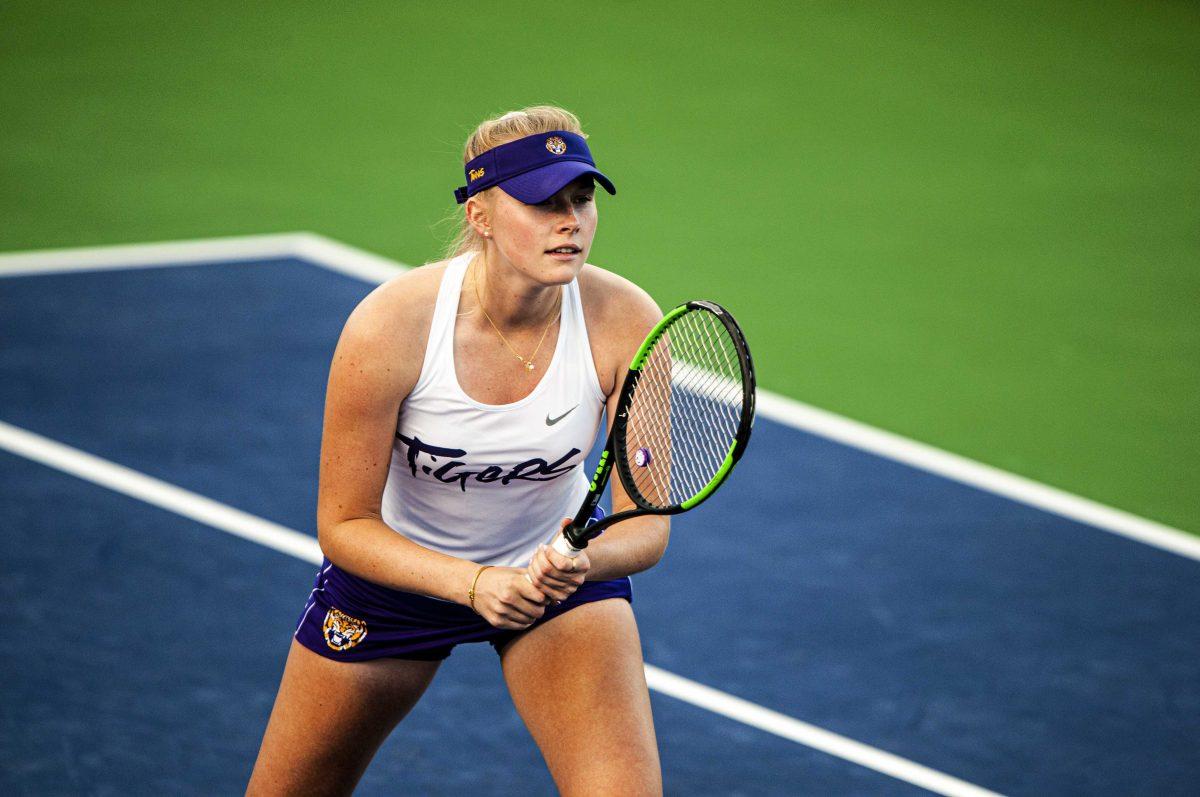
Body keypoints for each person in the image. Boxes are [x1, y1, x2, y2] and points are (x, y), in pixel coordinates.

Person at [247, 105, 668, 795]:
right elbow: (343, 524)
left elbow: (647, 524)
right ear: (480, 215)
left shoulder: (629, 321)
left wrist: (579, 558)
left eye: (582, 198)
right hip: (398, 584)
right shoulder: (389, 327)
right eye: (542, 203)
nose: (570, 221)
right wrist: (473, 584)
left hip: (551, 585)